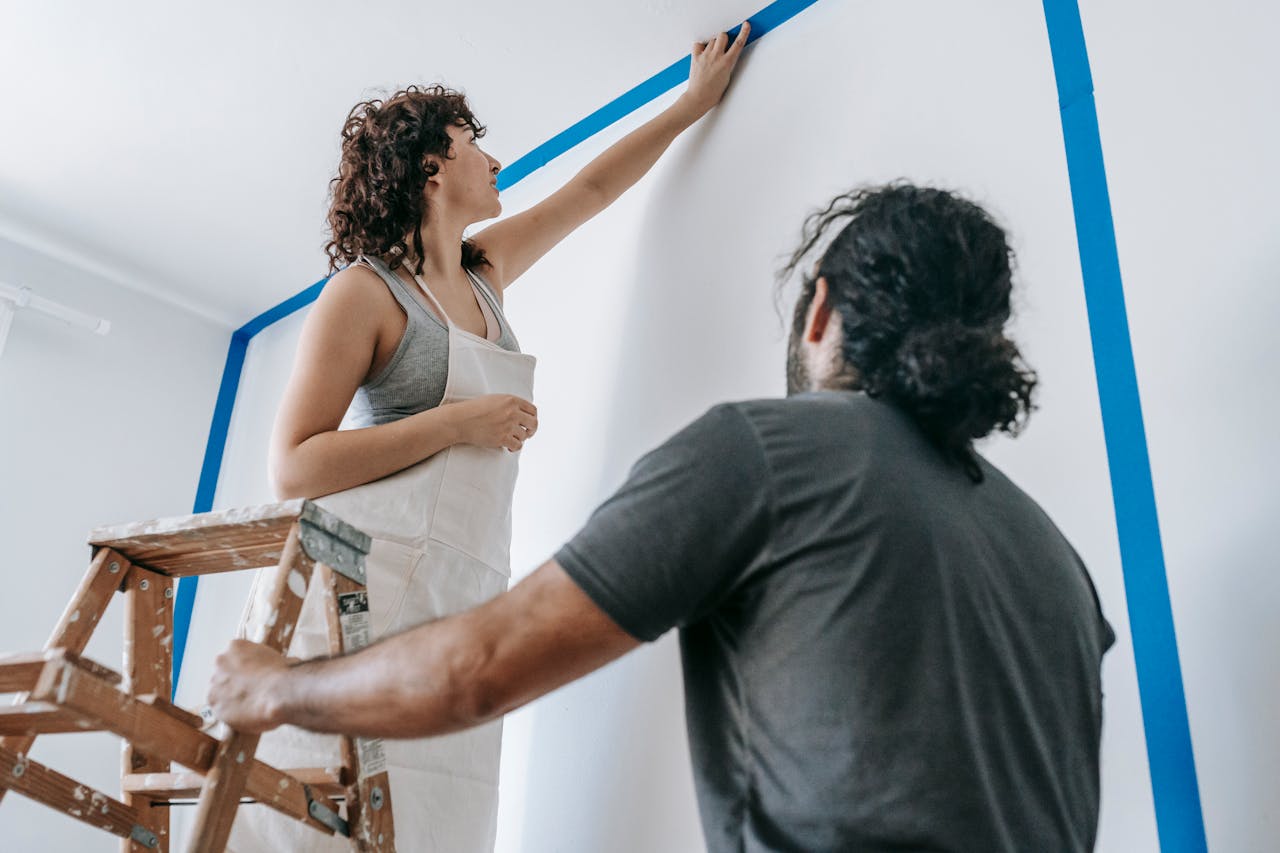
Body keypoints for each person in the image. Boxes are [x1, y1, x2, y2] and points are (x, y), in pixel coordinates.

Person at [212, 184, 1116, 852]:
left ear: (824, 309)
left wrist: (275, 687)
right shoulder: (1057, 562)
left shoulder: (767, 451)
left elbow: (475, 670)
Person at [227, 24, 751, 853]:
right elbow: (295, 463)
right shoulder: (363, 294)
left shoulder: (485, 271)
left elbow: (589, 192)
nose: (494, 160)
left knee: (436, 814)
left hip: (458, 590)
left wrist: (690, 106)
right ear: (430, 168)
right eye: (476, 143)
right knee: (312, 811)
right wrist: (459, 421)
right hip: (357, 593)